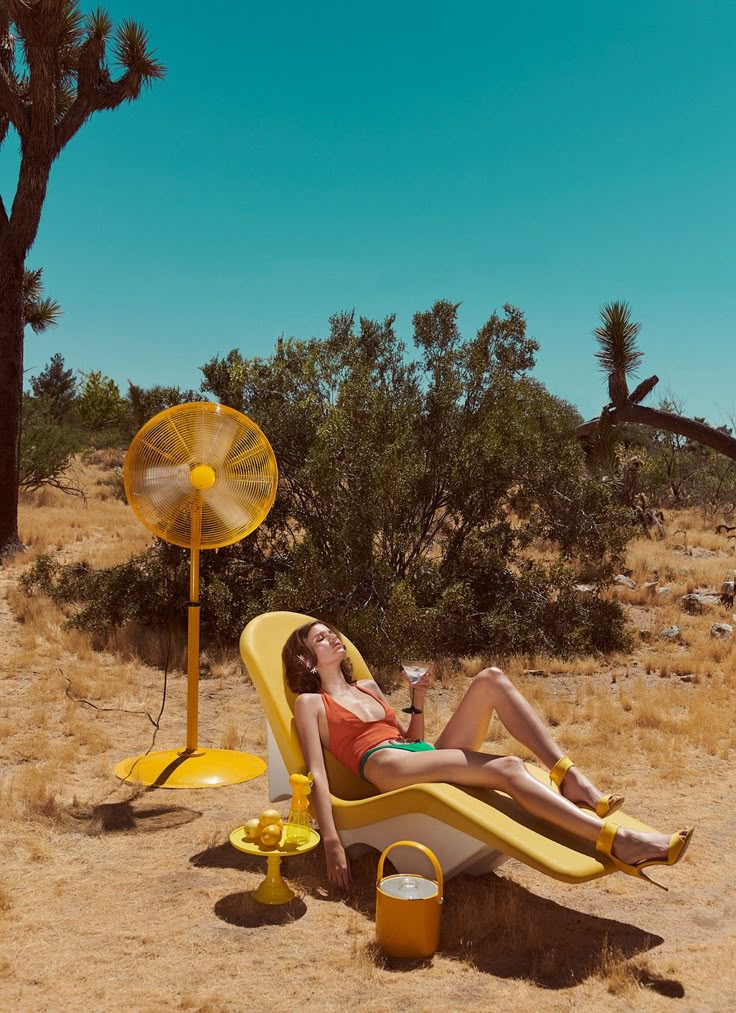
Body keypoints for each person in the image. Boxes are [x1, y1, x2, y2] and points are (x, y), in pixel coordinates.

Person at [283, 620, 693, 892]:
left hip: (414, 754)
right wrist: (332, 842)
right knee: (509, 769)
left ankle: (567, 773)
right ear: (306, 658)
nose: (333, 637)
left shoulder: (368, 686)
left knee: (491, 679)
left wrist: (418, 699)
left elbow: (412, 737)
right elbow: (316, 774)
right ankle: (619, 842)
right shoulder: (310, 703)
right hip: (385, 768)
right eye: (321, 638)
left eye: (331, 632)